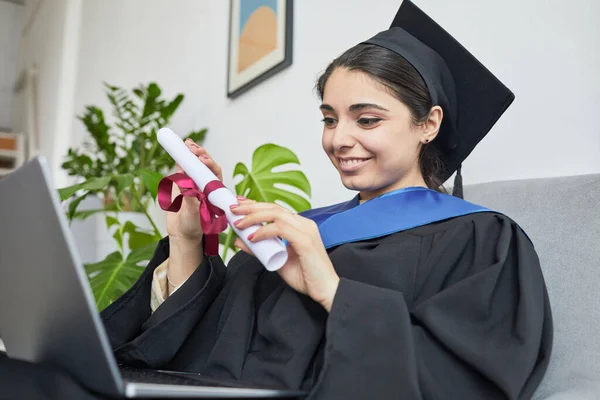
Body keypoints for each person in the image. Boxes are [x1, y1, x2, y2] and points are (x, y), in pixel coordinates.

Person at [2, 1, 553, 399]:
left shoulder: (482, 240)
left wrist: (331, 287)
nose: (340, 139)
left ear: (428, 124)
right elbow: (197, 342)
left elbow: (469, 381)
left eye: (367, 119)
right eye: (330, 119)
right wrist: (187, 237)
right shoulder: (303, 226)